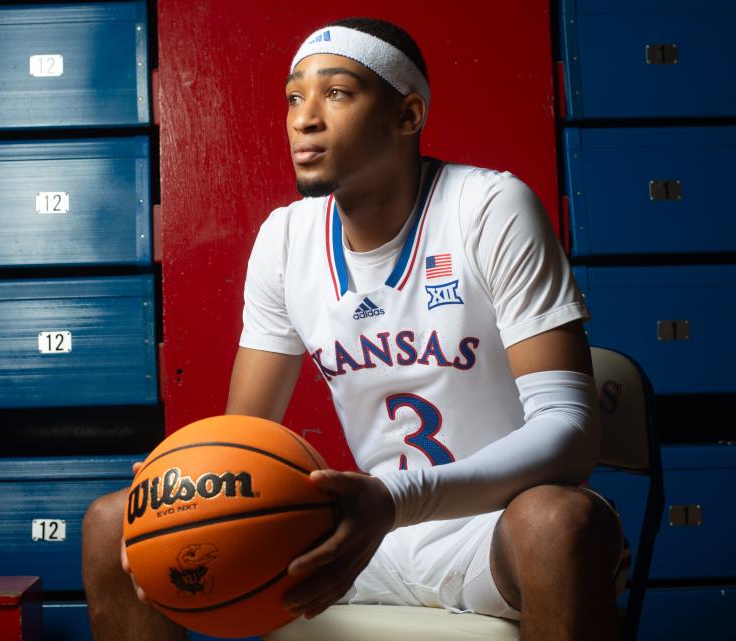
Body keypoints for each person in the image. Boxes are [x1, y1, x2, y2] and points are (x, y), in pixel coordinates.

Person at [82, 17, 628, 641]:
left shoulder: (488, 207)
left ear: (407, 115)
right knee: (112, 523)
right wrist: (176, 484)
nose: (303, 118)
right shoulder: (286, 238)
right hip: (368, 537)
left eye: (336, 93)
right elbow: (243, 436)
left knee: (559, 523)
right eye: (294, 97)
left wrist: (395, 499)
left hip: (494, 532)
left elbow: (571, 430)